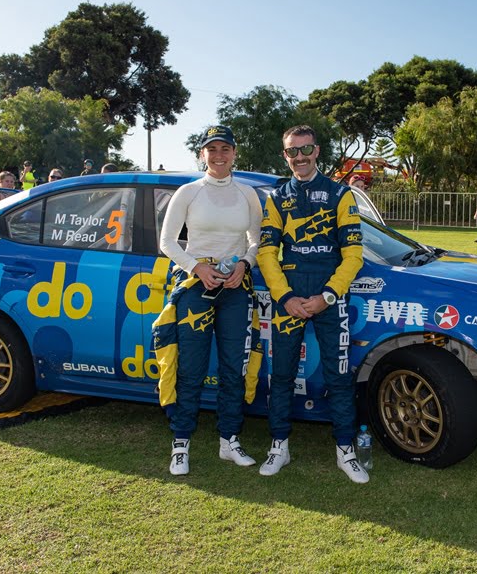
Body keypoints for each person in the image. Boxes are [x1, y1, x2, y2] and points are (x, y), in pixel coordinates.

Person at [256, 124, 369, 484]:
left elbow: (353, 255)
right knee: (283, 375)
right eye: (293, 152)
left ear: (317, 151)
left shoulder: (340, 195)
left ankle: (346, 451)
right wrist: (285, 297)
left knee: (338, 378)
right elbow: (266, 252)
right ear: (285, 155)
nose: (300, 157)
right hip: (288, 298)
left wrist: (327, 297)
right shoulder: (276, 198)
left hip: (329, 298)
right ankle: (279, 446)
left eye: (306, 150)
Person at [154, 125, 263, 476]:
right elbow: (167, 243)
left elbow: (257, 241)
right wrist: (196, 267)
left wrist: (245, 264)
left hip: (234, 288)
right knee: (191, 368)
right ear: (202, 154)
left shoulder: (247, 194)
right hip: (195, 286)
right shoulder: (188, 192)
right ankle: (181, 443)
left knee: (235, 367)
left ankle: (229, 440)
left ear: (234, 153)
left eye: (225, 149)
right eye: (212, 149)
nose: (219, 155)